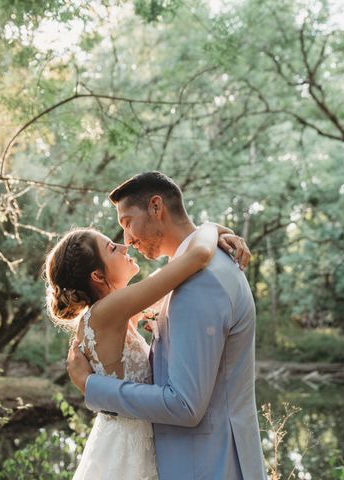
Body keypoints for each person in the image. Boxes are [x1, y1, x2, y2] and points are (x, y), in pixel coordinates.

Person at [65, 171, 267, 480]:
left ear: (156, 207)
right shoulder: (203, 270)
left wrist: (92, 387)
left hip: (206, 464)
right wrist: (213, 229)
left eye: (127, 222)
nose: (127, 241)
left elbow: (185, 405)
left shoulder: (199, 283)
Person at [45, 224, 244, 479]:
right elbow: (196, 257)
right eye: (112, 248)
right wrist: (210, 228)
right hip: (127, 448)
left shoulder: (112, 312)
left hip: (132, 439)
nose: (124, 246)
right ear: (97, 275)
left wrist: (219, 235)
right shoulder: (108, 310)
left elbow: (177, 273)